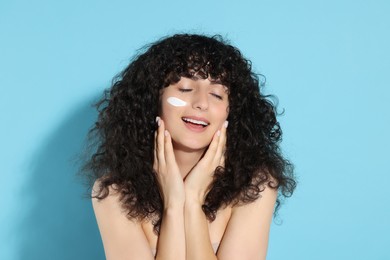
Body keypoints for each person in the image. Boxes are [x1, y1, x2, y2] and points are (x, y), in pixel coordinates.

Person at [84, 33, 296, 260]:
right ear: (152, 100)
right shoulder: (114, 192)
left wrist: (193, 201)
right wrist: (174, 205)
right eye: (185, 89)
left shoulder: (255, 184)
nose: (202, 103)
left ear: (232, 111)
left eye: (217, 94)